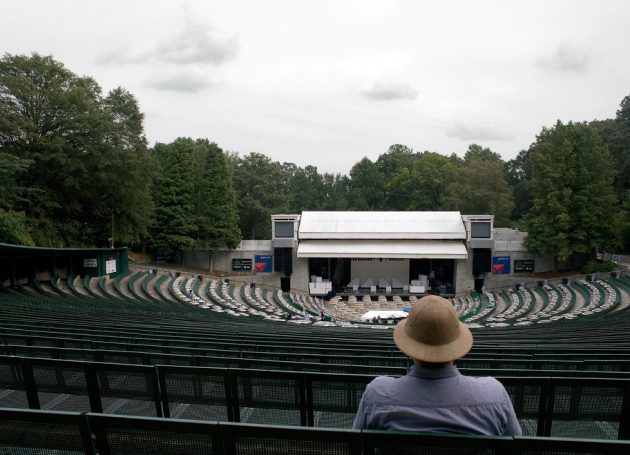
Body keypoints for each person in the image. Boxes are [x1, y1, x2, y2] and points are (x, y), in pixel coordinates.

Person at [353, 295, 522, 436]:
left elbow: (356, 445)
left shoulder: (377, 394)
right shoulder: (494, 394)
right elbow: (515, 444)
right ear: (456, 342)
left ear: (408, 346)